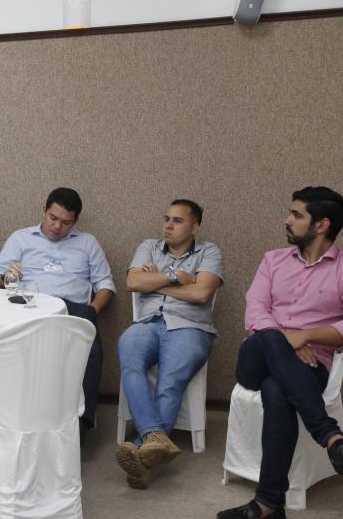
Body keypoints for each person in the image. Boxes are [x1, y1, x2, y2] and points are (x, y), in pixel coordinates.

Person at [217, 187, 343, 519]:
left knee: (278, 390)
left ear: (321, 224)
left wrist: (306, 335)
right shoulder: (272, 260)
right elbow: (255, 312)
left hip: (311, 366)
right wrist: (288, 340)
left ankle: (268, 504)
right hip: (256, 360)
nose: (286, 220)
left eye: (296, 214)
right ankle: (329, 434)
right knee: (270, 338)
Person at [0, 187, 115, 437]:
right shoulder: (21, 238)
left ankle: (83, 423)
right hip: (28, 307)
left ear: (75, 221)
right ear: (44, 210)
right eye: (53, 218)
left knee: (91, 344)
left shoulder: (87, 243)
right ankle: (10, 417)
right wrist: (8, 277)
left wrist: (92, 310)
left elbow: (106, 285)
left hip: (72, 309)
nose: (57, 227)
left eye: (65, 223)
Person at [116, 199, 223, 489]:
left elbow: (201, 294)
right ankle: (154, 439)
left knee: (169, 382)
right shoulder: (149, 246)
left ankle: (141, 453)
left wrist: (156, 281)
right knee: (130, 358)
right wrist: (177, 278)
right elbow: (133, 282)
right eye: (166, 219)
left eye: (177, 220)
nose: (168, 225)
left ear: (194, 226)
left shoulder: (209, 252)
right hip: (148, 323)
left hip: (191, 328)